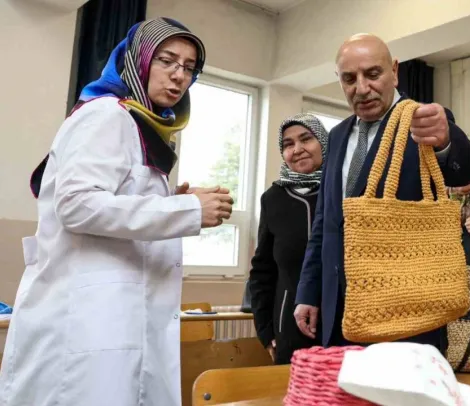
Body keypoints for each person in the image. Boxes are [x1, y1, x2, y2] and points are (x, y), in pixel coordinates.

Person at [0, 18, 232, 406]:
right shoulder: (106, 114)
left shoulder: (138, 123)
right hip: (87, 324)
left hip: (113, 320)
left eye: (189, 68)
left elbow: (111, 199)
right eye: (166, 60)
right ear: (138, 61)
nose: (179, 76)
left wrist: (173, 200)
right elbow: (77, 205)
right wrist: (185, 210)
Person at [293, 33, 470, 354]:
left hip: (407, 312)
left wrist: (446, 140)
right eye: (349, 79)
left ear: (394, 71)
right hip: (339, 312)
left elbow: (464, 172)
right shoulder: (336, 136)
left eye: (373, 74)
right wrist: (308, 292)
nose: (361, 88)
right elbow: (325, 222)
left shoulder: (422, 120)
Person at [247, 113, 327, 365]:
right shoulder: (273, 198)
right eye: (288, 144)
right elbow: (262, 271)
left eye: (306, 139)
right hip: (289, 329)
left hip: (341, 325)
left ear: (324, 143)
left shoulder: (344, 190)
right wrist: (266, 332)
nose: (298, 149)